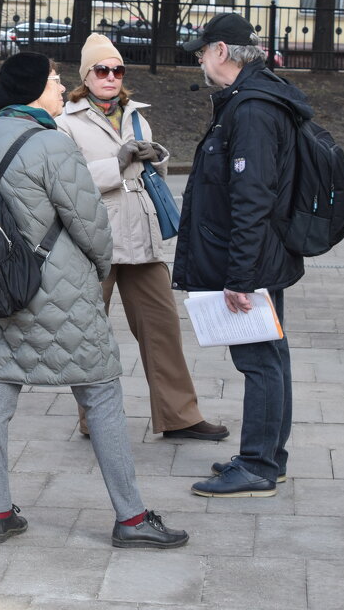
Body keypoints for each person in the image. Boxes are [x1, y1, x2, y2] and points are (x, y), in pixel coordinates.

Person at [0, 51, 188, 549]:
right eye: (52, 79)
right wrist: (99, 268)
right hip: (61, 286)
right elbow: (89, 222)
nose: (59, 86)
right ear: (31, 89)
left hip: (5, 286)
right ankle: (132, 519)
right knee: (103, 392)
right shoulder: (51, 142)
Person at [57, 34, 228, 443]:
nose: (111, 77)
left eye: (118, 70)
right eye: (102, 70)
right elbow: (67, 184)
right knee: (90, 336)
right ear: (87, 76)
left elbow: (151, 178)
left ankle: (180, 416)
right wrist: (114, 164)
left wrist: (159, 157)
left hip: (143, 238)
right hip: (94, 240)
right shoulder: (65, 123)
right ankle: (92, 419)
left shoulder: (136, 116)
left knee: (163, 328)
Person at [175, 13, 311, 498]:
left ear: (222, 52)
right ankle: (269, 457)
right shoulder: (251, 99)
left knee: (259, 360)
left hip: (251, 261)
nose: (198, 59)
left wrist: (240, 276)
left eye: (201, 50)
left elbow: (251, 197)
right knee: (271, 355)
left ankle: (258, 466)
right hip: (259, 256)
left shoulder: (251, 108)